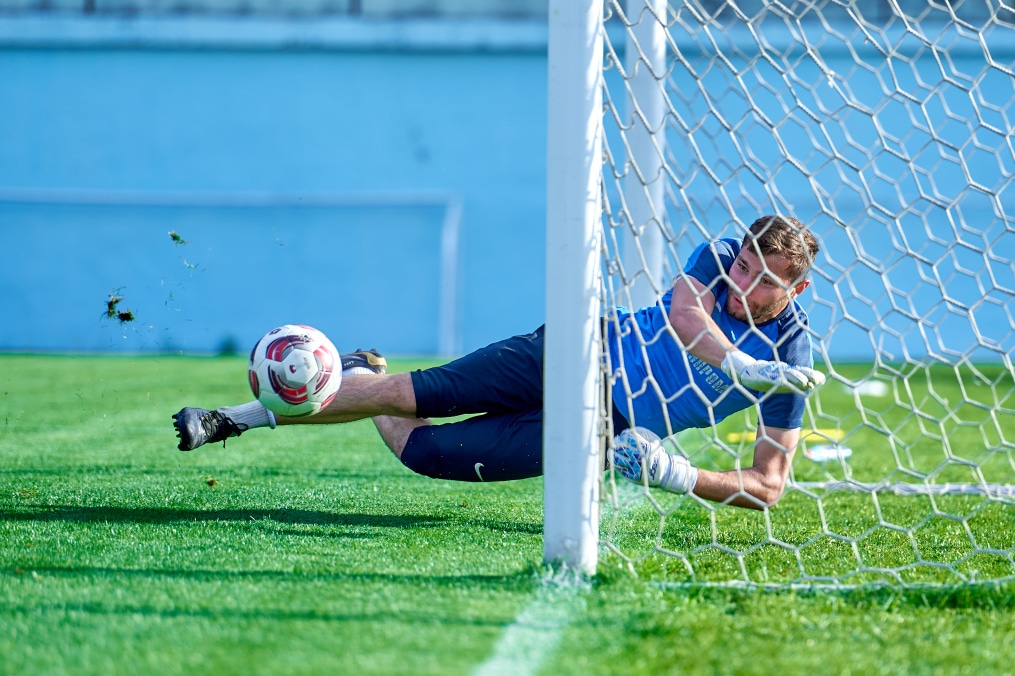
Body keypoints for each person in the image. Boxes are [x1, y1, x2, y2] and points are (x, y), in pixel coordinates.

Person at [173, 215, 824, 510]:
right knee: (410, 394)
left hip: (607, 426)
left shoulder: (792, 361)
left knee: (420, 453)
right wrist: (742, 365)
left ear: (795, 291)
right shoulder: (714, 258)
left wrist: (681, 476)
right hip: (574, 348)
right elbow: (686, 321)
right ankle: (232, 419)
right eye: (743, 266)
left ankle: (356, 370)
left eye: (765, 282)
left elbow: (769, 486)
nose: (744, 284)